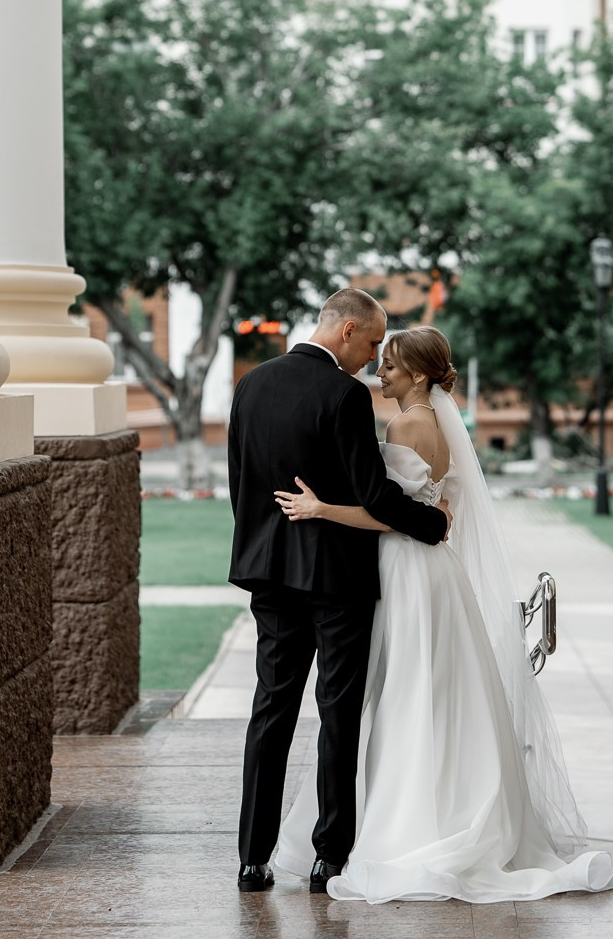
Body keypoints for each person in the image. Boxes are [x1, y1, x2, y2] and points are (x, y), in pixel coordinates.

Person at [272, 325, 613, 903]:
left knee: (402, 690)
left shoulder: (405, 424)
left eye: (389, 366)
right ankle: (444, 804)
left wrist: (320, 508)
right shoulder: (439, 426)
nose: (379, 374)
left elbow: (390, 514)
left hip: (404, 568)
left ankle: (408, 820)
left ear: (416, 373)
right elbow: (441, 505)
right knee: (436, 689)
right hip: (436, 571)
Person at [227, 288, 449, 896]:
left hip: (268, 572)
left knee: (270, 710)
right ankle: (330, 857)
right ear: (348, 330)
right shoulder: (344, 395)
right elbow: (374, 495)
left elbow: (240, 484)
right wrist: (434, 524)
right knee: (337, 713)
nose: (375, 357)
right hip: (335, 579)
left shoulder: (250, 384)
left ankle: (252, 859)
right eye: (375, 342)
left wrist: (260, 546)